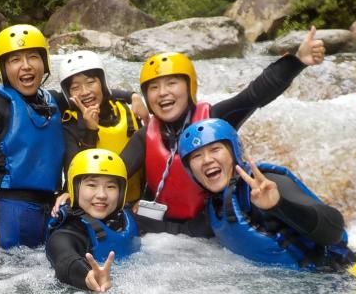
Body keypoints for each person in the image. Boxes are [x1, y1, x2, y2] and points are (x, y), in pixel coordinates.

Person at [123, 27, 325, 238]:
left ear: (190, 87)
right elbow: (112, 172)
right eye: (153, 88)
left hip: (213, 226)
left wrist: (297, 61)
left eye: (172, 83)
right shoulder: (144, 137)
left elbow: (254, 94)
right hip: (163, 232)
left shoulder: (215, 118)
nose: (163, 93)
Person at [177, 118, 356, 271]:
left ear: (234, 152)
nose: (207, 160)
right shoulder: (215, 209)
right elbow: (181, 231)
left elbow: (333, 229)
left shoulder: (268, 183)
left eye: (215, 149)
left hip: (344, 277)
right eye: (196, 156)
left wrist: (278, 205)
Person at [0, 24, 67, 249]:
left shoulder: (55, 101)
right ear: (4, 68)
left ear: (44, 63)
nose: (26, 66)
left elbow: (88, 94)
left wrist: (130, 96)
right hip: (7, 210)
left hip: (49, 209)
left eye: (33, 57)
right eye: (15, 60)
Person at [46, 149, 140, 292]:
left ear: (121, 192)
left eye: (111, 186)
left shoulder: (125, 218)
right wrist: (88, 276)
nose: (102, 195)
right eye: (91, 185)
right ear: (74, 189)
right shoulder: (67, 232)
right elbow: (64, 258)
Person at [58, 50, 145, 202]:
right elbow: (76, 173)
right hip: (97, 205)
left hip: (134, 202)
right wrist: (91, 131)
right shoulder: (70, 123)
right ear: (68, 94)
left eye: (90, 82)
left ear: (102, 83)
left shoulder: (126, 110)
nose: (85, 92)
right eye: (75, 87)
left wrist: (133, 95)